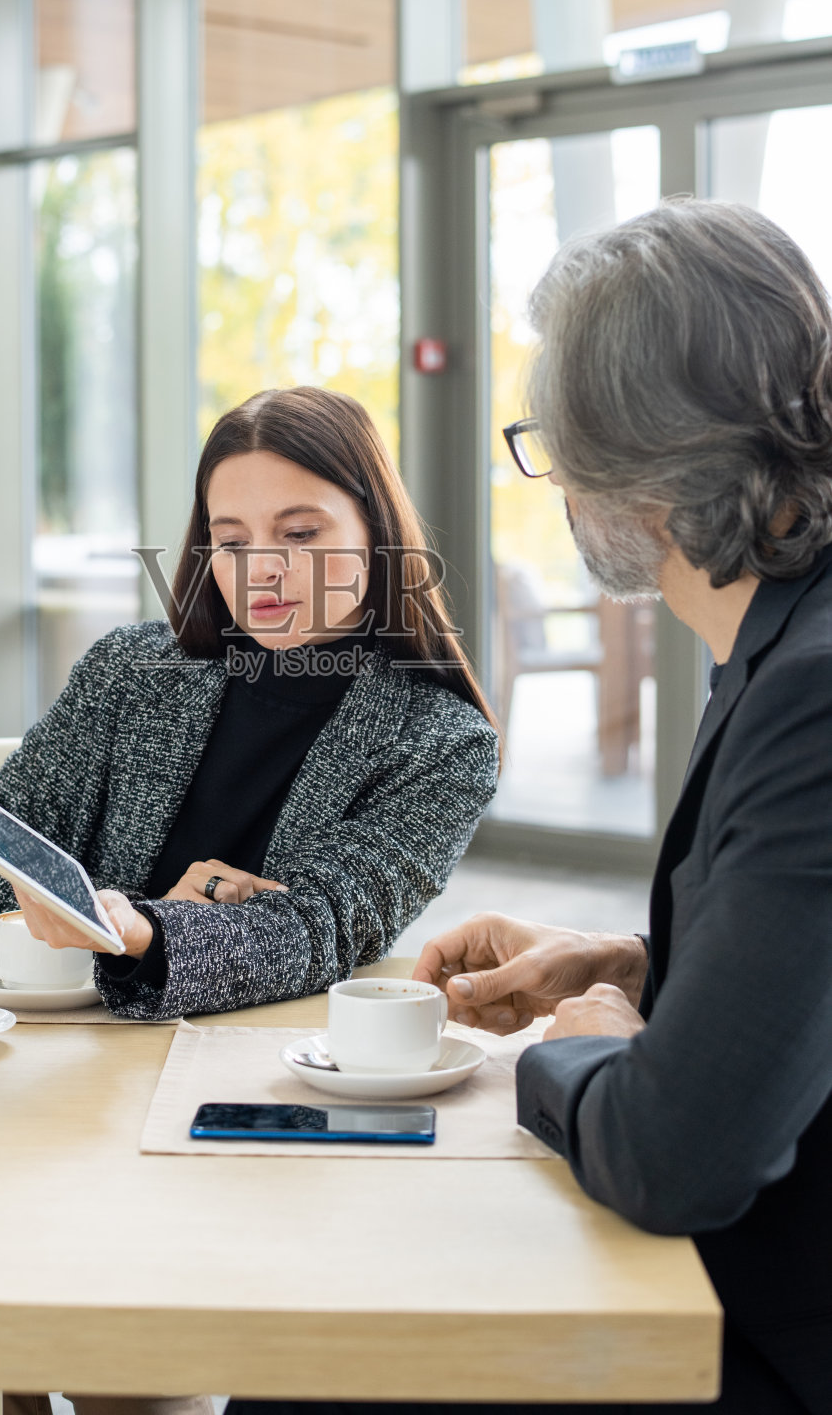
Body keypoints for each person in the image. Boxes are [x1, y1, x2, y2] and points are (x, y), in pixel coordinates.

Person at [230, 202, 832, 1415]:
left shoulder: (813, 693)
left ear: (636, 465)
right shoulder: (783, 646)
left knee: (311, 1364)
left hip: (767, 1338)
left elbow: (673, 1159)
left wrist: (572, 1053)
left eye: (553, 446)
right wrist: (639, 967)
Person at [0, 384, 499, 1022]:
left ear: (377, 530)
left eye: (300, 533)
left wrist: (140, 928)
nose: (263, 570)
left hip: (270, 1059)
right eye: (233, 543)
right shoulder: (131, 672)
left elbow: (319, 930)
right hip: (66, 1056)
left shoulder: (443, 742)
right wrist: (138, 918)